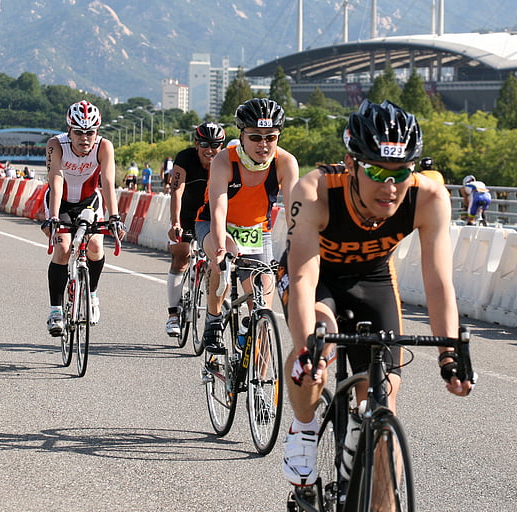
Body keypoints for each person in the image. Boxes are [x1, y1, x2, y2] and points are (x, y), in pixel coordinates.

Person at [278, 99, 474, 489]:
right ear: (351, 165)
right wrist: (306, 349)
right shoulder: (314, 190)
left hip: (374, 279)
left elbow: (438, 283)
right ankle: (303, 429)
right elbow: (302, 277)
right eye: (375, 171)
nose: (390, 186)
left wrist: (450, 354)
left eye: (401, 172)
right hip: (320, 278)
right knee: (319, 344)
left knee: (383, 395)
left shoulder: (430, 198)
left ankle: (380, 487)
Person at [195, 99, 299, 351]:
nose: (263, 144)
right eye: (255, 137)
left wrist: (298, 252)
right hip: (215, 225)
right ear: (242, 135)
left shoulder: (285, 162)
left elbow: (298, 215)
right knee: (222, 265)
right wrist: (221, 248)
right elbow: (218, 210)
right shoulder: (224, 160)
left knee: (262, 309)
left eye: (270, 137)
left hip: (256, 230)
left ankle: (259, 386)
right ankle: (213, 319)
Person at [41, 100, 125, 335]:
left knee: (96, 245)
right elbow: (55, 179)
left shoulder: (104, 146)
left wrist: (114, 216)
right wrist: (54, 217)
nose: (84, 138)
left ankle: (92, 295)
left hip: (89, 201)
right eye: (78, 132)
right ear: (69, 130)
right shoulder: (55, 145)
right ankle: (55, 310)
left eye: (90, 132)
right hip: (61, 201)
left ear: (97, 132)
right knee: (63, 249)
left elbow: (108, 183)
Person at [164, 122, 226, 337]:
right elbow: (177, 190)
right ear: (195, 144)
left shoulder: (226, 160)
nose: (210, 150)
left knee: (216, 259)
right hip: (187, 214)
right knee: (181, 255)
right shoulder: (185, 158)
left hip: (211, 217)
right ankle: (173, 314)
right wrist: (175, 223)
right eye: (204, 145)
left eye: (215, 145)